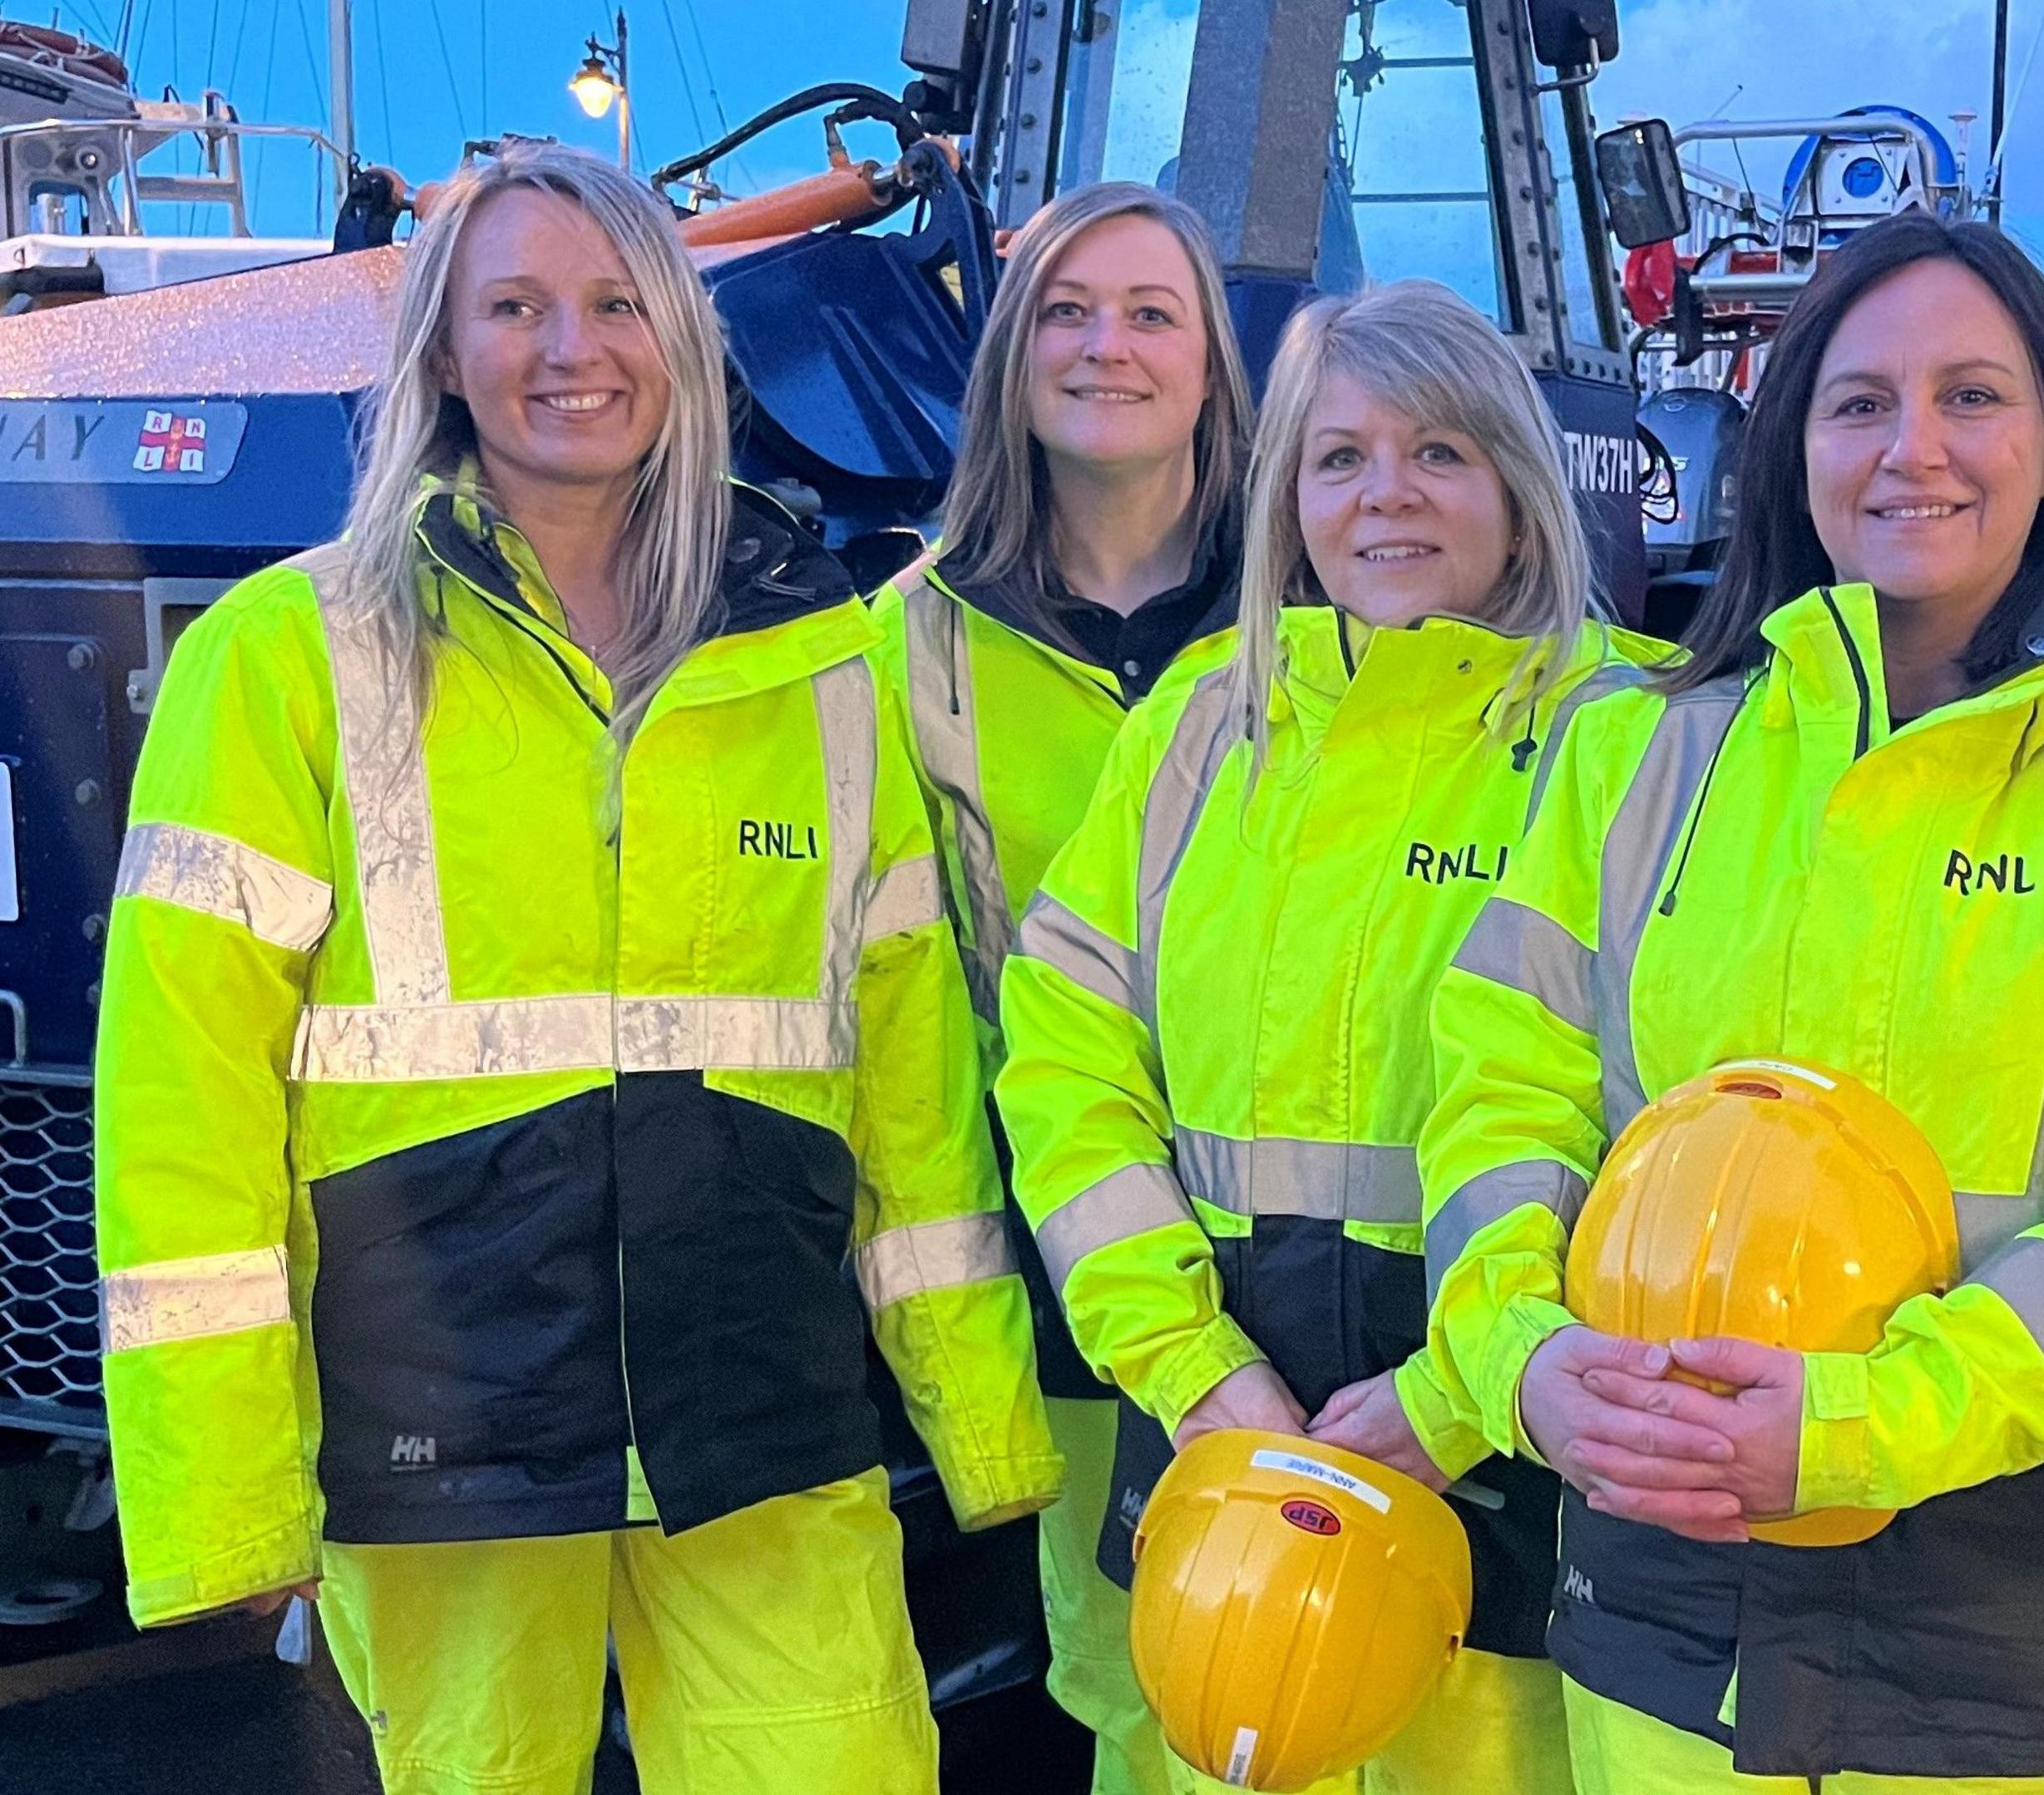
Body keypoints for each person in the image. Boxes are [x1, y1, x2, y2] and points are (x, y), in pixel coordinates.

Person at [92, 144, 1059, 1794]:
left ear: (684, 342)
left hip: (761, 1410)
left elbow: (904, 1074)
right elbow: (181, 1103)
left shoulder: (817, 660)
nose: (572, 348)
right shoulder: (283, 653)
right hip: (442, 1429)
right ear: (445, 354)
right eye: (516, 306)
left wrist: (981, 1417)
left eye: (620, 302)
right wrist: (223, 1498)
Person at [1415, 209, 2044, 1791]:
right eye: (1860, 402)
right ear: (1792, 448)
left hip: (2007, 1625)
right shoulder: (1638, 752)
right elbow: (1501, 1091)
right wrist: (1524, 1359)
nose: (1916, 450)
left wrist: (1866, 1420)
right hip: (1665, 1590)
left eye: (1973, 397)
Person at [995, 277, 1665, 1794]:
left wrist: (1457, 1396)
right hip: (1227, 1422)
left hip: (1512, 1460)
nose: (1387, 497)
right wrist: (1189, 1364)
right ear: (1288, 494)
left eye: (1440, 451)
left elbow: (1663, 1121)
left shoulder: (1627, 738)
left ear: (1517, 477)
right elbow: (1067, 1060)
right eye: (1340, 457)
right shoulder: (1199, 727)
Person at [873, 179, 1255, 1795]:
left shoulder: (1328, 620)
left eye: (1152, 310)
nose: (1108, 343)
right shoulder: (907, 649)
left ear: (1215, 366)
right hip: (1083, 1275)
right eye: (1068, 311)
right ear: (1011, 360)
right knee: (1134, 1683)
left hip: (1324, 1262)